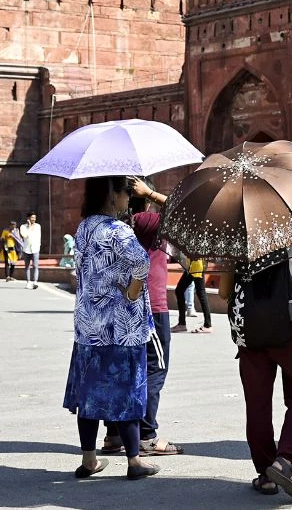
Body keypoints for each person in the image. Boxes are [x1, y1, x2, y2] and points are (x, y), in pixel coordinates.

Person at [62, 176, 159, 481]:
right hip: (122, 328)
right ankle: (134, 461)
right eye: (125, 192)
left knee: (89, 394)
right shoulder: (119, 230)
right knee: (128, 393)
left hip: (89, 326)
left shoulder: (84, 228)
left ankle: (89, 460)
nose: (128, 198)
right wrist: (132, 291)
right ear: (111, 194)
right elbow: (142, 263)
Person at [217, 236, 292, 500]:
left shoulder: (237, 231)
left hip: (251, 329)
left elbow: (223, 291)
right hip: (291, 324)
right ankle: (285, 461)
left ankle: (265, 474)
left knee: (257, 402)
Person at [102, 181, 184, 458]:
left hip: (117, 307)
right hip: (151, 309)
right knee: (154, 369)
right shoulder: (146, 221)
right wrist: (150, 192)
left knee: (122, 371)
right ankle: (146, 435)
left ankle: (114, 434)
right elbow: (184, 211)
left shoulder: (110, 226)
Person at [173, 255, 212, 333]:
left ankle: (208, 325)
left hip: (197, 265)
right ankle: (182, 323)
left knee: (200, 293)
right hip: (193, 265)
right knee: (180, 290)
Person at [16, 212, 42, 289]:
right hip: (26, 249)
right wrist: (29, 226)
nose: (33, 219)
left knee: (35, 266)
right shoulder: (23, 227)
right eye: (32, 218)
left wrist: (38, 245)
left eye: (34, 218)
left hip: (35, 248)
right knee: (27, 266)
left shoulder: (38, 226)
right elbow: (25, 236)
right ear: (28, 218)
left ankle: (35, 282)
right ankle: (28, 282)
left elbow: (38, 236)